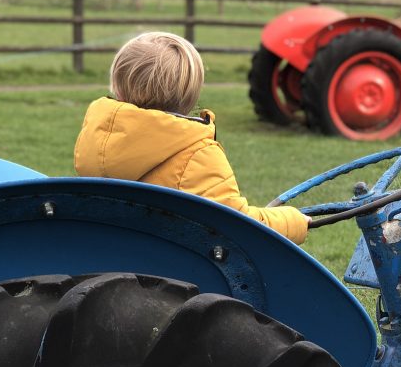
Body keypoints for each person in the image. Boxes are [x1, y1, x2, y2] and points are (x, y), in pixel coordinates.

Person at [74, 32, 309, 244]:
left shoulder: (95, 142)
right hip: (170, 275)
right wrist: (292, 221)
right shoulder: (197, 154)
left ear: (117, 87)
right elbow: (237, 225)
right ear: (190, 96)